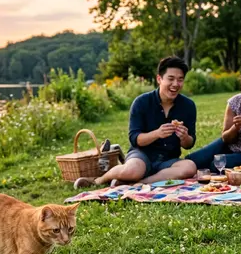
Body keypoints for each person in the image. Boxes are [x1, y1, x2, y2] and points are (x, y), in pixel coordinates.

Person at [73, 56, 197, 188]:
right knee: (133, 170)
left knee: (189, 167)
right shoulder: (141, 102)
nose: (175, 84)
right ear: (159, 79)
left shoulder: (188, 106)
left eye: (180, 80)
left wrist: (184, 137)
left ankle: (139, 183)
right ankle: (98, 180)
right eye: (171, 79)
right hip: (141, 156)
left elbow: (189, 144)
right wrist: (157, 133)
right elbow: (134, 139)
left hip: (168, 161)